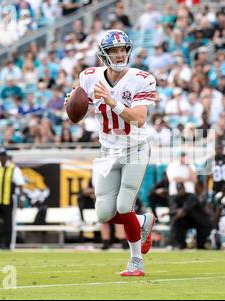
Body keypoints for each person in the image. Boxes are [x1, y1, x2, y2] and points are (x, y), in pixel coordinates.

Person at [65, 29, 155, 276]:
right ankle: (143, 222)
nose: (119, 54)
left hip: (134, 147)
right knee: (104, 214)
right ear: (103, 55)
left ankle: (136, 261)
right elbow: (76, 103)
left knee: (125, 206)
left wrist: (113, 102)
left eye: (123, 49)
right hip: (108, 150)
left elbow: (139, 119)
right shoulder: (89, 77)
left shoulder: (141, 78)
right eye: (114, 51)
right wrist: (70, 104)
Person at [169, 182, 212, 250]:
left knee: (200, 246)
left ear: (184, 189)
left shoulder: (191, 196)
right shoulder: (177, 198)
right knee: (177, 221)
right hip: (190, 221)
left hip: (201, 222)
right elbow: (174, 210)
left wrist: (178, 212)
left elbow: (184, 210)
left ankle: (202, 244)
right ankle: (179, 245)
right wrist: (176, 212)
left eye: (181, 189)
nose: (180, 191)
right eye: (179, 189)